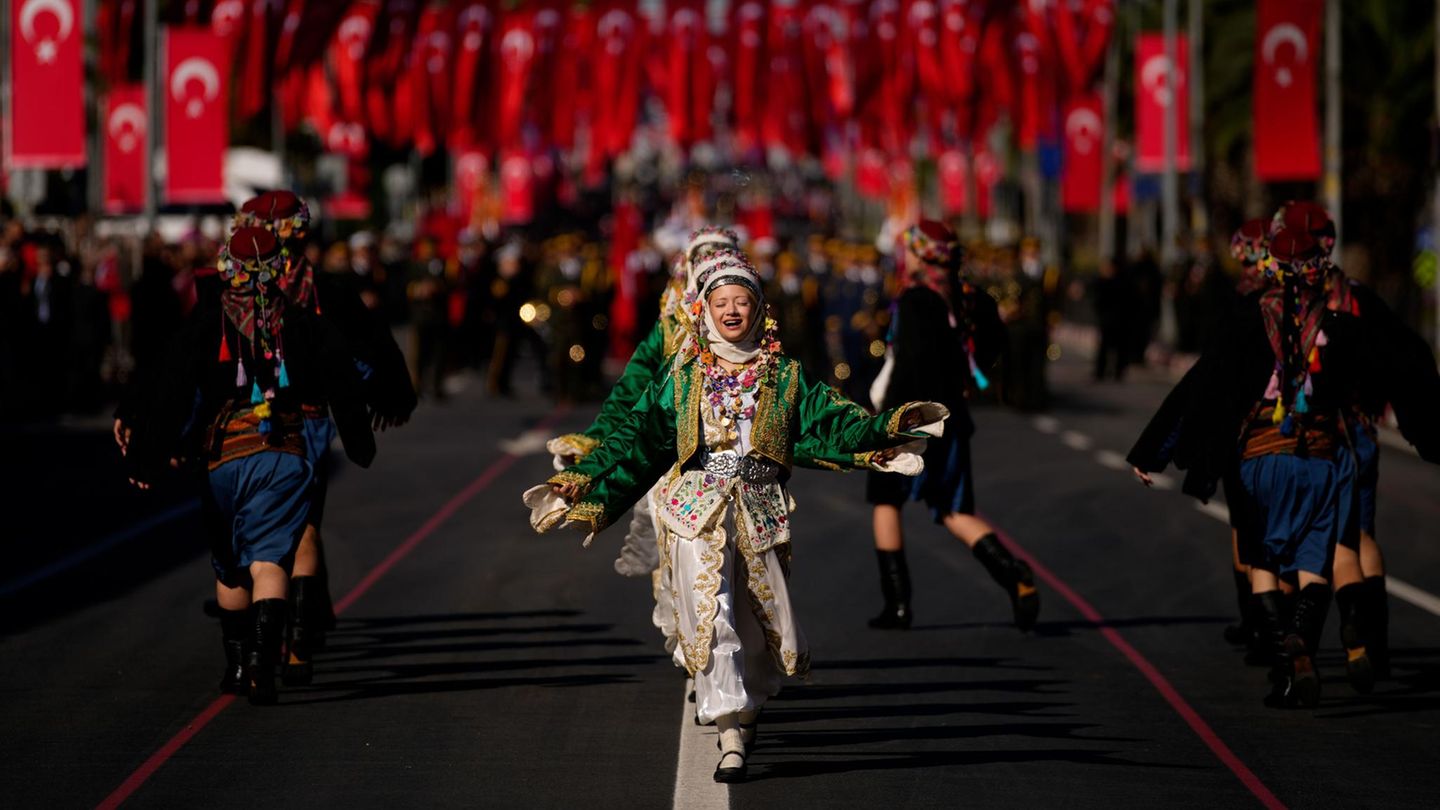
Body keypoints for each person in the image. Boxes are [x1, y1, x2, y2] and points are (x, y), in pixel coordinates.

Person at [525, 253, 946, 782]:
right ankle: (727, 732)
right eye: (721, 301)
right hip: (694, 510)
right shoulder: (682, 377)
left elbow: (837, 425)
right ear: (703, 310)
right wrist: (583, 485)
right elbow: (637, 448)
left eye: (741, 301)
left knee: (755, 625)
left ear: (759, 310)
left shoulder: (785, 377)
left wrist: (891, 426)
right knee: (710, 612)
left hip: (760, 510)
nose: (731, 310)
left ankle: (746, 712)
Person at [1127, 227, 1436, 708]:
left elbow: (1200, 386)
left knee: (1263, 562)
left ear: (1267, 267)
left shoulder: (1244, 323)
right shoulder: (1345, 328)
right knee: (1317, 568)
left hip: (1258, 463)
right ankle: (1303, 646)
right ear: (1320, 267)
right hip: (1322, 462)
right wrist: (1429, 435)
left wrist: (1153, 452)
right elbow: (1406, 368)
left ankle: (1292, 665)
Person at [122, 228, 375, 704]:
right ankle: (264, 659)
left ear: (227, 269)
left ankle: (238, 666)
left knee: (230, 566)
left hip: (224, 457)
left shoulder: (205, 323)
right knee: (271, 558)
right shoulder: (302, 322)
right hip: (285, 453)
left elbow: (171, 386)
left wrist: (148, 457)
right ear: (279, 267)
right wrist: (360, 445)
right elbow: (343, 380)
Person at [261, 190, 416, 683]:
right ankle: (301, 636)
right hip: (305, 420)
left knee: (264, 533)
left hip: (258, 423)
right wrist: (392, 398)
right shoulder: (326, 288)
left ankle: (272, 630)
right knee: (302, 526)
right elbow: (375, 344)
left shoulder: (238, 290)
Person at [865, 221, 1038, 632]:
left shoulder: (914, 300)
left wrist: (889, 427)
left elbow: (908, 368)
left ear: (921, 255)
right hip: (953, 417)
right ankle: (1012, 573)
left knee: (886, 499)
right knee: (953, 508)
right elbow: (993, 344)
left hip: (912, 418)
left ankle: (898, 605)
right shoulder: (970, 297)